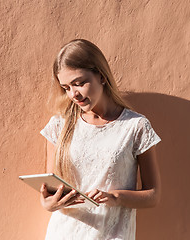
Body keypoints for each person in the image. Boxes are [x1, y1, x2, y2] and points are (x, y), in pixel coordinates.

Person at [39, 39, 162, 239]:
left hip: (112, 235)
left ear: (102, 76)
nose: (73, 94)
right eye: (66, 87)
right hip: (64, 233)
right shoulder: (58, 126)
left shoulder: (135, 126)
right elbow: (51, 190)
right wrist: (48, 203)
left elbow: (153, 195)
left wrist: (115, 197)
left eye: (79, 83)